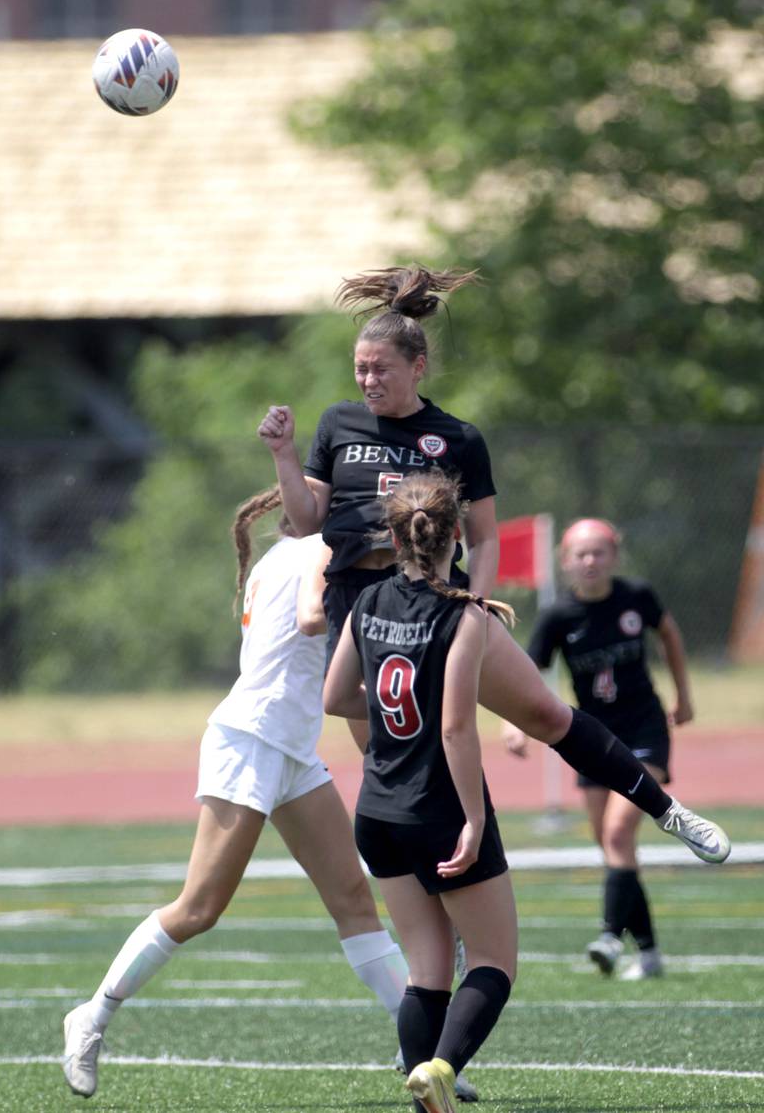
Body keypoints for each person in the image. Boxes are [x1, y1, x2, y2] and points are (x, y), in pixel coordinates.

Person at [257, 264, 731, 868]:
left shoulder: (456, 437)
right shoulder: (337, 423)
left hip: (439, 603)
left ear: (417, 366)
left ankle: (666, 809)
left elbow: (483, 540)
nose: (368, 379)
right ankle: (446, 907)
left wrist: (474, 608)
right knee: (398, 764)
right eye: (361, 368)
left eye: (381, 368)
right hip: (362, 608)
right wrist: (282, 454)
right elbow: (303, 523)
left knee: (545, 714)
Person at [61, 488, 412, 1099]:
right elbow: (313, 619)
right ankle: (91, 1017)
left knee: (355, 898)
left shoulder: (305, 551)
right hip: (251, 738)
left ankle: (425, 1050)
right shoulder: (316, 551)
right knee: (199, 909)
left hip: (291, 748)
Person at [324, 469, 517, 1113]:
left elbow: (334, 696)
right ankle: (440, 1068)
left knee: (427, 967)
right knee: (492, 960)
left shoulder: (368, 601)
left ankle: (422, 1090)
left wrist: (388, 717)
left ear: (395, 534)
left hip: (376, 809)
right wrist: (473, 820)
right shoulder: (465, 613)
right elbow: (457, 727)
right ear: (454, 534)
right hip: (435, 808)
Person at [523, 517, 698, 980]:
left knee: (619, 836)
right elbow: (524, 672)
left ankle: (607, 937)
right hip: (593, 740)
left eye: (599, 552)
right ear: (566, 561)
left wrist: (684, 694)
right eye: (580, 553)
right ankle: (651, 953)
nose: (590, 561)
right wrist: (513, 724)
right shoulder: (559, 616)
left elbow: (671, 635)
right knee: (612, 846)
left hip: (644, 732)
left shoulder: (636, 597)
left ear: (614, 556)